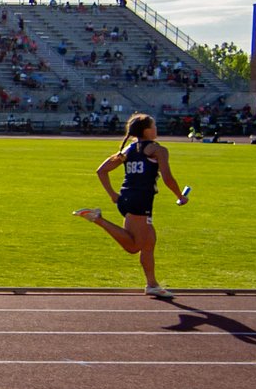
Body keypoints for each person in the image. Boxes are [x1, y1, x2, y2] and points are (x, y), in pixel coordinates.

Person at [74, 111, 191, 299]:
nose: (156, 129)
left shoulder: (129, 149)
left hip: (126, 199)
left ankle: (152, 284)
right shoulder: (158, 150)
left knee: (149, 242)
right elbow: (168, 178)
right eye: (153, 126)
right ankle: (97, 219)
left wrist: (113, 195)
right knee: (133, 247)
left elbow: (102, 170)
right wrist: (180, 196)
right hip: (140, 201)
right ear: (146, 131)